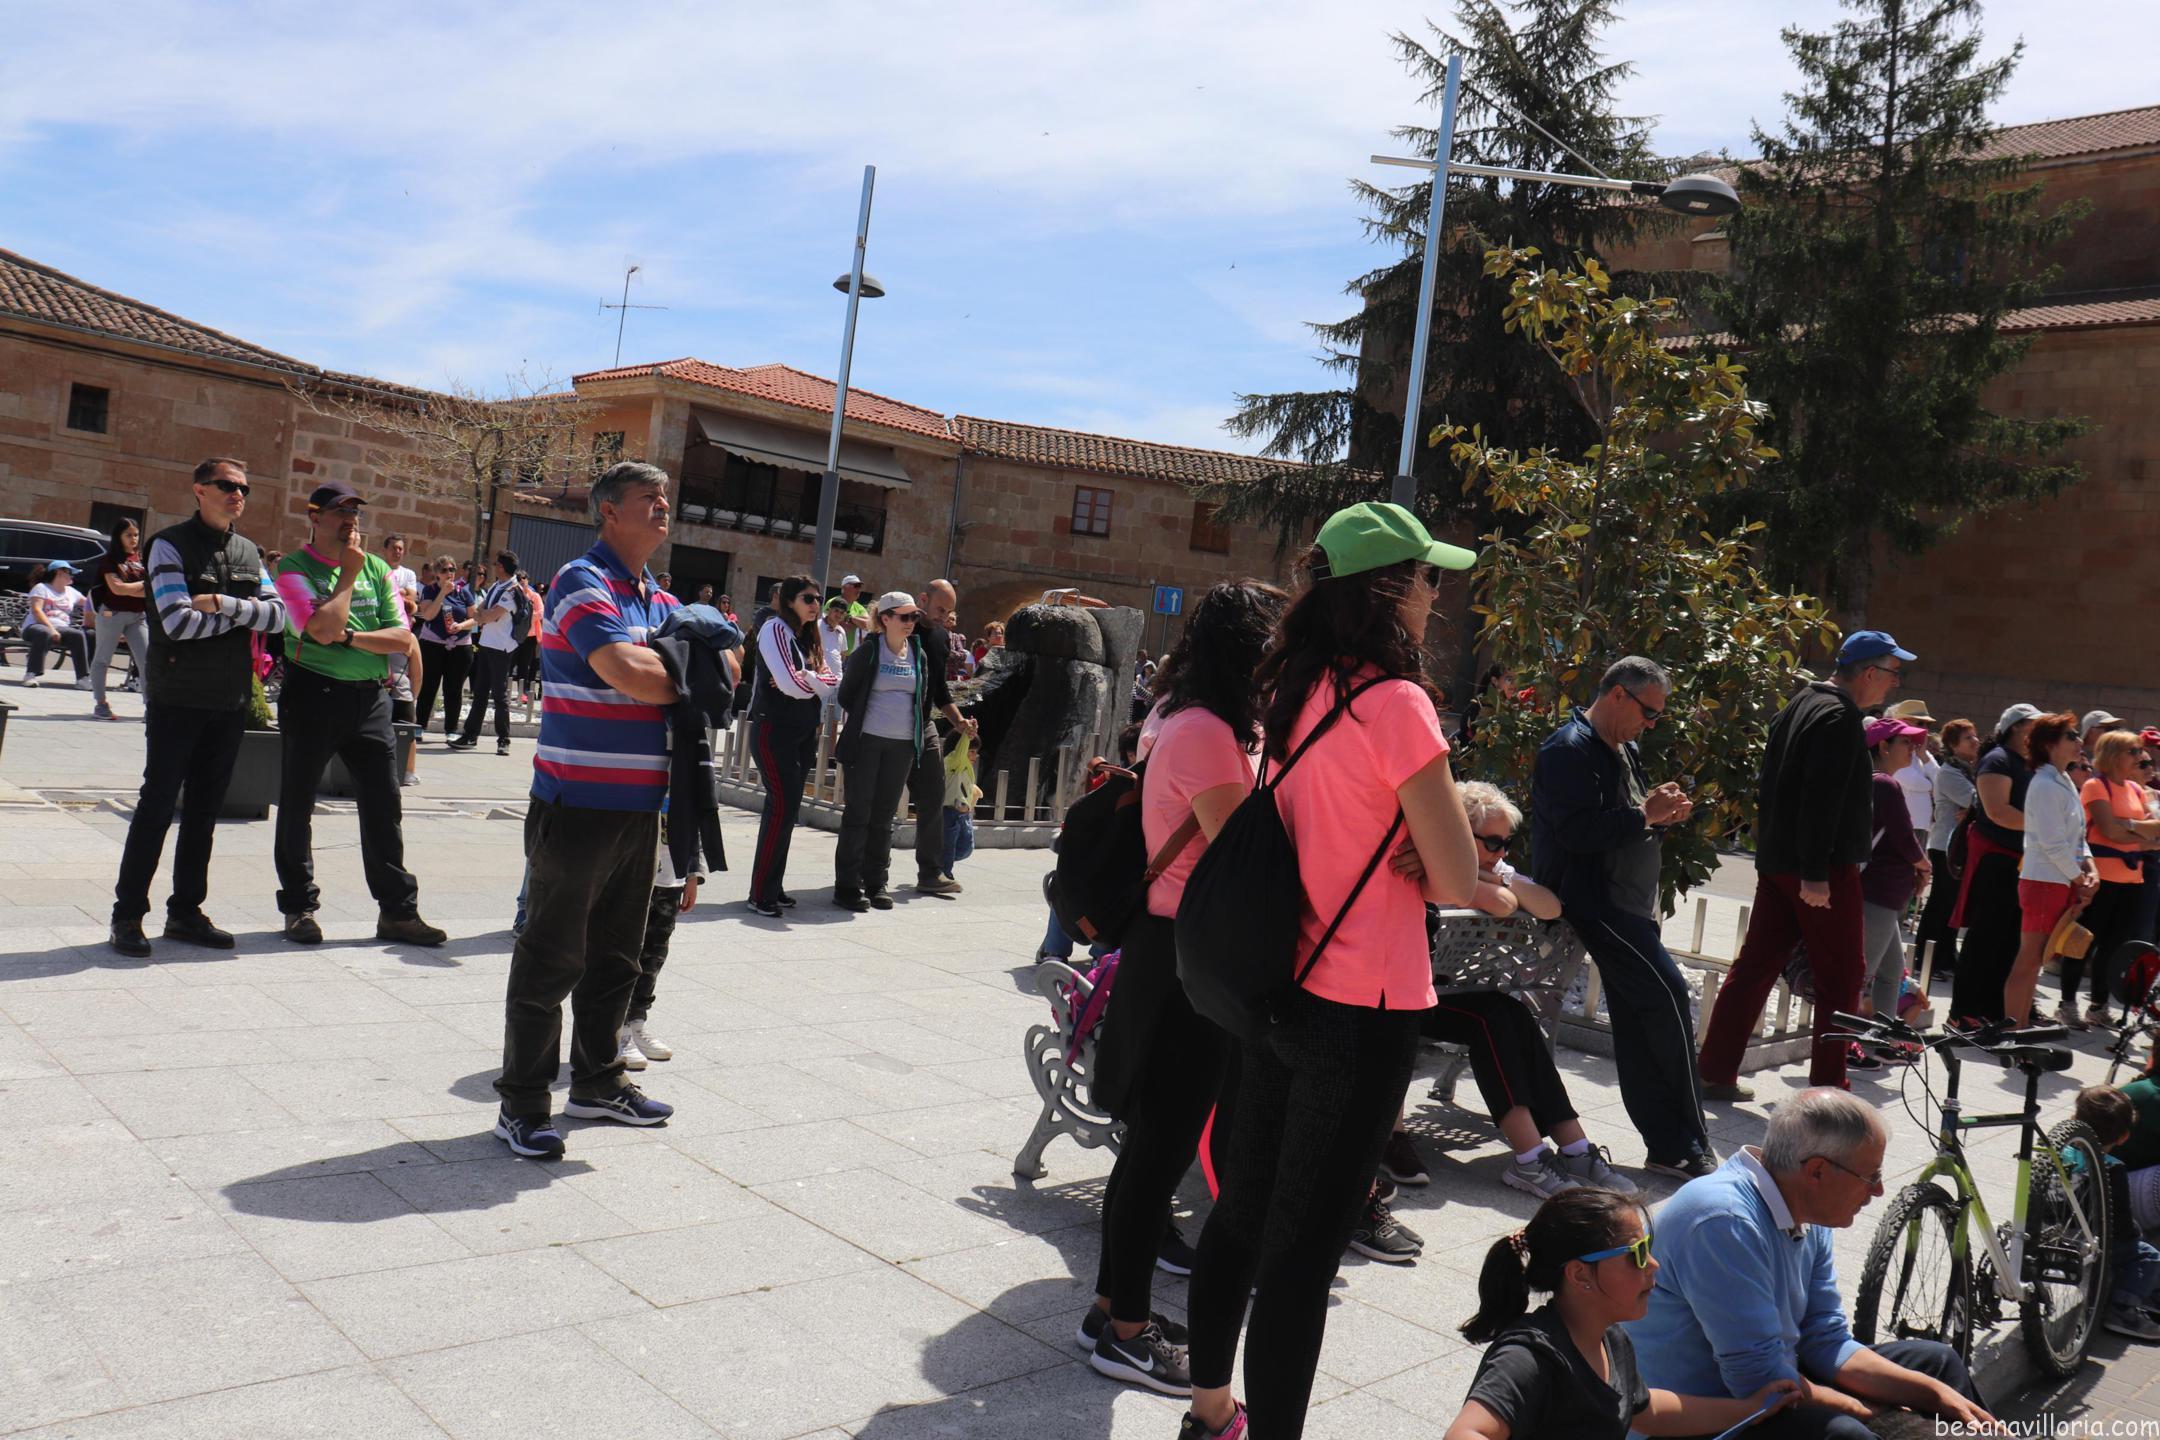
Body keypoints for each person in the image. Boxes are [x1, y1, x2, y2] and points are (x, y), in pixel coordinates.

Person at [1181, 501, 1480, 1440]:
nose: (1436, 594)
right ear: (1391, 588)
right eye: (1428, 575)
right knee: (1304, 1258)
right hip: (1364, 1005)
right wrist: (1434, 858)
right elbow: (1458, 877)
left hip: (1279, 984)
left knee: (1242, 1216)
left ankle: (1209, 1415)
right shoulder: (1397, 703)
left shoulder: (1294, 686)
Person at [1075, 579, 1283, 1397]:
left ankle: (1109, 1310)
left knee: (1150, 1149)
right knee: (1159, 1152)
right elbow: (1246, 852)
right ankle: (1127, 1334)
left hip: (1180, 953)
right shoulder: (1204, 732)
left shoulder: (1203, 721)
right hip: (1184, 959)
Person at [495, 460, 683, 1159]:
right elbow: (625, 671)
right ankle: (521, 1104)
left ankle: (598, 1082)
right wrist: (685, 670)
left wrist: (680, 670)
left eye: (665, 497)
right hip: (576, 804)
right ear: (608, 510)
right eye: (648, 498)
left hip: (642, 810)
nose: (662, 506)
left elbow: (728, 669)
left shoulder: (659, 597)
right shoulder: (581, 581)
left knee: (617, 961)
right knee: (550, 959)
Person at [1627, 1089, 1998, 1438]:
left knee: (1938, 1365)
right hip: (1700, 1416)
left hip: (1772, 1379)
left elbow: (1825, 1337)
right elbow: (1756, 1380)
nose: (1878, 1191)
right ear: (1817, 1171)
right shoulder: (1723, 1221)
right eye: (1871, 1176)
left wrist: (1932, 1392)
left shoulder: (1806, 1209)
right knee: (1845, 1433)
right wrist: (1873, 1411)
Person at [1699, 632, 1913, 1094]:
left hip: (1781, 861)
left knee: (1756, 966)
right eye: (1893, 673)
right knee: (1842, 976)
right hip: (1820, 870)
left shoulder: (1801, 703)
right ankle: (1828, 1091)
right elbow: (1821, 800)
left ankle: (1713, 1071)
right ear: (1870, 672)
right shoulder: (1839, 717)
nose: (1894, 684)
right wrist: (1815, 873)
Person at [1528, 656, 1713, 1175]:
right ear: (1617, 695)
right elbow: (1576, 833)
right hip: (1596, 903)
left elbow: (1629, 819)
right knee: (1669, 1000)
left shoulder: (1622, 746)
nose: (1651, 724)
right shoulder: (1568, 749)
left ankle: (1671, 1146)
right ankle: (1688, 1142)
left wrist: (1659, 817)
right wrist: (1643, 815)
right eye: (1648, 712)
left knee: (1638, 1020)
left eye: (1657, 716)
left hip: (1624, 902)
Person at [1425, 781, 1640, 1201]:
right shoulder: (1433, 865)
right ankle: (1529, 1158)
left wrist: (1499, 873)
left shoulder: (1495, 870)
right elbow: (1499, 904)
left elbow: (1550, 907)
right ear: (1458, 831)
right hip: (1406, 997)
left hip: (1449, 991)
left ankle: (1574, 1148)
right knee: (1490, 1021)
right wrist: (1485, 881)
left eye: (1506, 843)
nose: (1501, 851)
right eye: (1492, 842)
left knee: (1513, 1014)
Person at [109, 457, 289, 956]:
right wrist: (244, 617)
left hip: (229, 700)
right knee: (157, 805)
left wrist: (223, 604)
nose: (238, 494)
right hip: (178, 697)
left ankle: (186, 912)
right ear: (199, 490)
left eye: (244, 488)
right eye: (227, 484)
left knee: (205, 811)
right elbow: (175, 621)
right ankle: (128, 915)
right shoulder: (167, 545)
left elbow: (280, 619)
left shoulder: (249, 551)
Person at [1444, 1188, 1797, 1440]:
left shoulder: (1610, 1338)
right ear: (1580, 1275)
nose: (1654, 1264)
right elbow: (1468, 1432)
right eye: (1637, 1254)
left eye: (1650, 1247)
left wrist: (1750, 1408)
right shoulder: (1530, 1358)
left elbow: (1648, 1411)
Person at [269, 481, 445, 948]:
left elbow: (401, 639)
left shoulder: (379, 569)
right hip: (312, 693)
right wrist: (346, 576)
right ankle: (299, 907)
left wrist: (349, 637)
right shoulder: (293, 568)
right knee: (297, 803)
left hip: (369, 699)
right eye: (339, 512)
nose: (351, 521)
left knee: (384, 805)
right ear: (315, 518)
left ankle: (398, 913)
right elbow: (319, 629)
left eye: (356, 513)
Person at [833, 591, 974, 912]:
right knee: (858, 814)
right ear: (885, 619)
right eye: (904, 616)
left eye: (914, 617)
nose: (911, 622)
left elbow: (924, 698)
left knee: (884, 816)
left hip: (902, 745)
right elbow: (846, 695)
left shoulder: (918, 654)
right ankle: (847, 886)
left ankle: (876, 882)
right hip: (868, 742)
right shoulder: (869, 651)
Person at [746, 574, 838, 918]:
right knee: (781, 807)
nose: (816, 605)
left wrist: (808, 678)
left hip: (803, 731)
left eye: (818, 599)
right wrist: (809, 681)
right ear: (788, 601)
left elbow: (832, 681)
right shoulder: (775, 629)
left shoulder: (808, 636)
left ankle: (772, 886)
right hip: (774, 730)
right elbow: (788, 684)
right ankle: (761, 893)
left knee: (788, 811)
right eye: (808, 598)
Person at [1948, 704, 2040, 1026]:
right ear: (2016, 727)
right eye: (2033, 725)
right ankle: (1963, 1013)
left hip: (2021, 863)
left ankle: (1991, 1011)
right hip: (1996, 861)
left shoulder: (2029, 764)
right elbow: (1998, 811)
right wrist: (2046, 825)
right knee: (1985, 938)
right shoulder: (1997, 760)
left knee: (2008, 941)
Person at [2005, 711, 2098, 1025]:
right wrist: (2081, 878)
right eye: (2070, 736)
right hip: (2044, 881)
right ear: (2049, 744)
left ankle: (2019, 1029)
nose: (2079, 741)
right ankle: (2012, 1031)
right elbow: (2051, 843)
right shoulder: (2045, 784)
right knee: (2029, 961)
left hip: (2058, 880)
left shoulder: (2063, 781)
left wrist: (2091, 869)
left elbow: (2077, 838)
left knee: (2037, 961)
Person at [1854, 717, 1930, 1068]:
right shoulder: (1885, 784)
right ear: (1883, 747)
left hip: (1883, 893)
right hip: (1877, 893)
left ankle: (1882, 1041)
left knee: (1889, 972)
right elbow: (1904, 838)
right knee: (1862, 976)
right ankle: (1848, 1045)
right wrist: (1924, 865)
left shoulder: (1875, 782)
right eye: (1905, 742)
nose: (1913, 748)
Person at [2071, 730, 2160, 1027]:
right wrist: (2140, 835)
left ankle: (2098, 1006)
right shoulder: (2096, 785)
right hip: (2100, 877)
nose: (2139, 757)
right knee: (2085, 941)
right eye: (2132, 752)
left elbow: (2156, 828)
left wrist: (2128, 825)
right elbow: (2109, 831)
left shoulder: (2135, 788)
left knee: (2113, 946)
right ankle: (2067, 1003)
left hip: (2131, 879)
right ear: (2113, 755)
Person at [2073, 1086, 2160, 1341]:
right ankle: (2122, 1309)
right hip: (2092, 1238)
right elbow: (2120, 1221)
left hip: (2054, 1229)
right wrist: (2135, 1234)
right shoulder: (2112, 1168)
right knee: (2147, 1255)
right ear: (2123, 1138)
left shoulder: (2058, 1151)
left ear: (2074, 1118)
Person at [618, 819, 701, 1072]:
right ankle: (618, 1029)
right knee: (624, 952)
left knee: (654, 954)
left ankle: (636, 1022)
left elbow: (693, 815)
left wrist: (693, 873)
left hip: (670, 874)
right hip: (630, 868)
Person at [911, 579, 970, 893]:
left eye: (948, 612)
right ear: (923, 599)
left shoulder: (941, 637)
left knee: (934, 796)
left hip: (925, 726)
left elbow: (939, 690)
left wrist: (959, 721)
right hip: (891, 727)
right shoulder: (901, 629)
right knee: (880, 803)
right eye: (939, 609)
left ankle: (931, 872)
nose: (943, 617)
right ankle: (870, 874)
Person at [1913, 718, 1979, 977]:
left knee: (1954, 904)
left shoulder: (1969, 771)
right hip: (1946, 847)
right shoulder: (1950, 773)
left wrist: (1972, 812)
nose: (1975, 741)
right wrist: (1974, 809)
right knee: (1941, 903)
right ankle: (1925, 958)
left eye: (1974, 736)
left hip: (1960, 846)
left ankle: (1945, 955)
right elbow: (1978, 800)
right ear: (1953, 744)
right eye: (1967, 738)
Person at [451, 551, 526, 756]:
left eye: (497, 564)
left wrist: (483, 615)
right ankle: (470, 735)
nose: (494, 567)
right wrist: (483, 615)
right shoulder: (496, 586)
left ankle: (504, 739)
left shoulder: (512, 590)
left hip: (501, 647)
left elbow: (489, 616)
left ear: (503, 567)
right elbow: (479, 612)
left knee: (500, 695)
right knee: (480, 692)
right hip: (486, 644)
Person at [88, 519, 149, 720]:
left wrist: (135, 589)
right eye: (128, 535)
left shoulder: (142, 559)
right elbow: (117, 589)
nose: (134, 539)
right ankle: (101, 704)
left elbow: (152, 590)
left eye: (136, 534)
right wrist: (144, 587)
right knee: (102, 659)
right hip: (111, 613)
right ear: (118, 537)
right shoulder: (110, 560)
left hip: (138, 616)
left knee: (147, 661)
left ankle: (151, 707)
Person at [413, 555, 475, 740]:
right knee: (428, 686)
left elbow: (475, 618)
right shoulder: (430, 590)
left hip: (460, 645)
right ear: (437, 573)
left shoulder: (464, 592)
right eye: (445, 570)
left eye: (452, 569)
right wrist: (442, 594)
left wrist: (461, 626)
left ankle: (451, 730)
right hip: (433, 644)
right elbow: (428, 615)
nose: (449, 573)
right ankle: (420, 726)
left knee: (453, 689)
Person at [22, 559, 91, 687]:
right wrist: (51, 628)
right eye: (70, 573)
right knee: (44, 633)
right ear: (59, 573)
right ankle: (31, 674)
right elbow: (37, 611)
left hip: (61, 628)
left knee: (78, 635)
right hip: (35, 627)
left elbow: (89, 604)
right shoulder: (41, 588)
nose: (72, 576)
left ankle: (83, 679)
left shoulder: (71, 591)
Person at [1886, 699, 1938, 848]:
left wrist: (1924, 757)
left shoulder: (1922, 751)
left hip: (1922, 824)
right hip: (1901, 824)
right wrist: (1931, 786)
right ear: (1903, 722)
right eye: (1920, 723)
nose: (1925, 729)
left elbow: (1941, 782)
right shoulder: (1893, 748)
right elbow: (1913, 782)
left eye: (1928, 724)